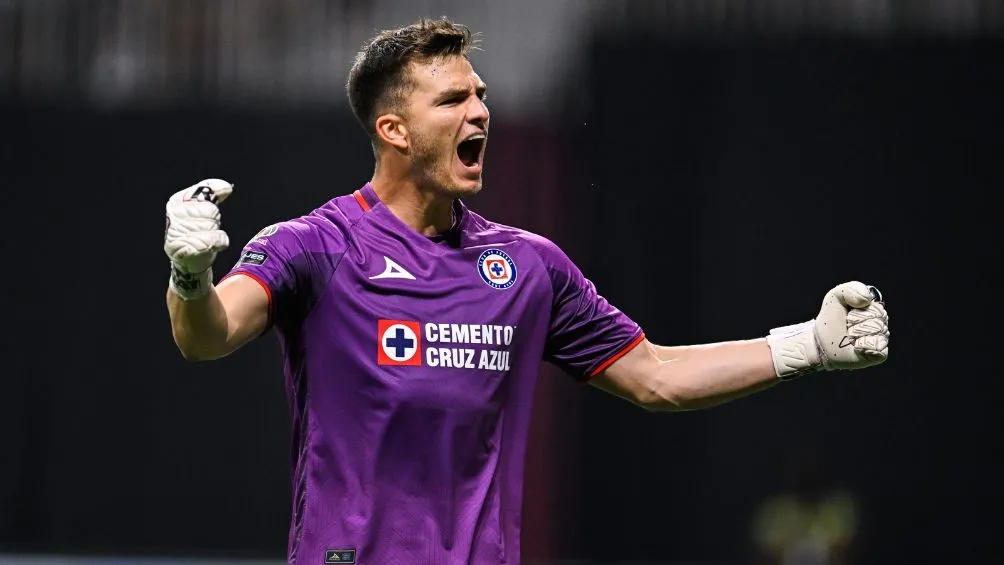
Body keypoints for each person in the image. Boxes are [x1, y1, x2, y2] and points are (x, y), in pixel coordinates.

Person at [163, 17, 890, 565]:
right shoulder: (316, 246)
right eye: (452, 100)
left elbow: (657, 376)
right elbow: (207, 335)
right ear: (394, 129)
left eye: (480, 95)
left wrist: (807, 345)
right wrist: (189, 276)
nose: (480, 112)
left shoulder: (528, 267)